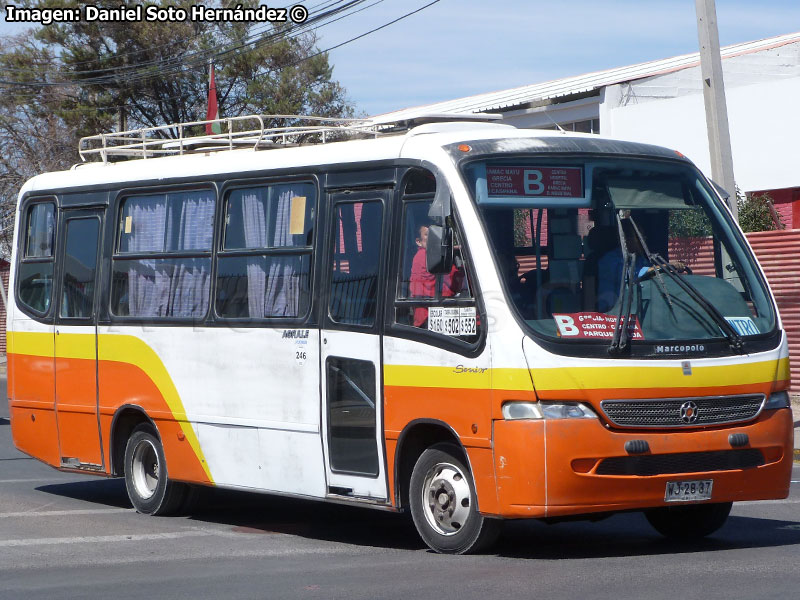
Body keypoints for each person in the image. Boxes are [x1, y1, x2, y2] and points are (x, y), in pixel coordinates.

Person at [409, 224, 464, 327]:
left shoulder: (418, 257)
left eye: (435, 235)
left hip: (423, 316)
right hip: (431, 318)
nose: (433, 238)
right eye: (427, 235)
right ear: (418, 242)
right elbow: (456, 283)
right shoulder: (427, 257)